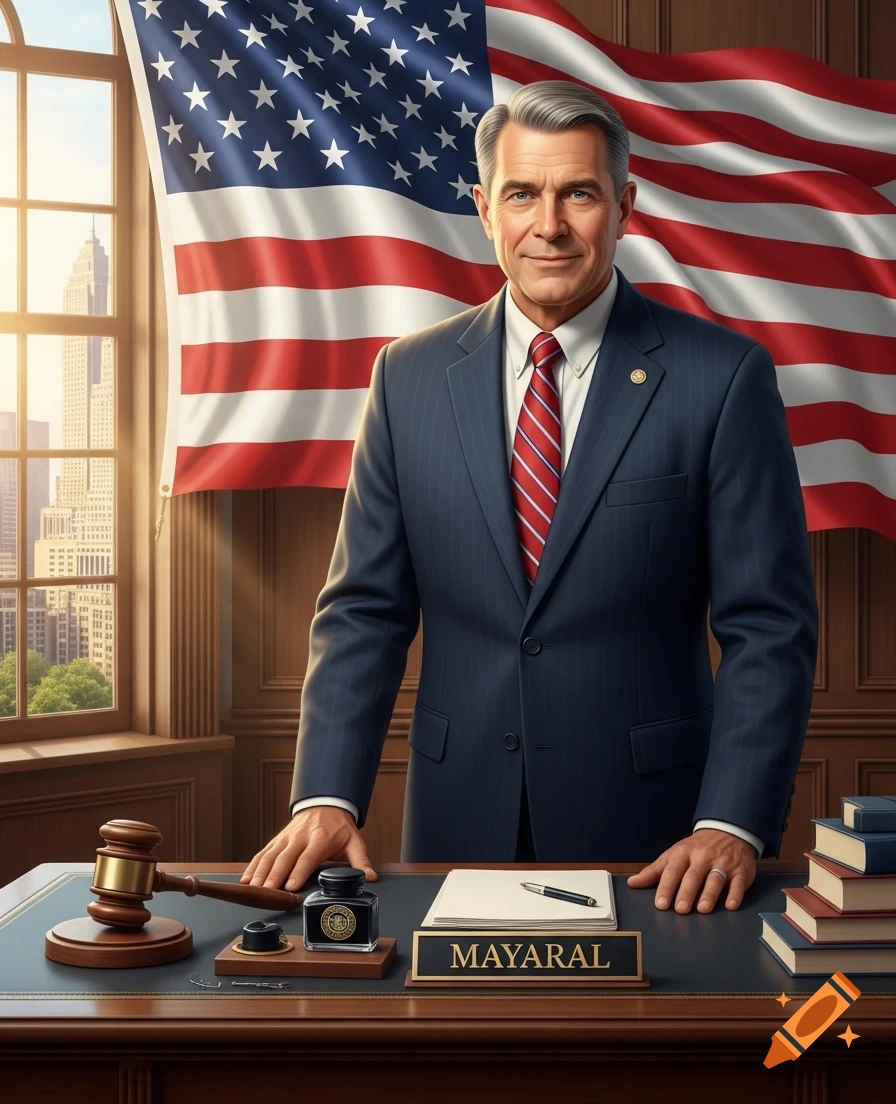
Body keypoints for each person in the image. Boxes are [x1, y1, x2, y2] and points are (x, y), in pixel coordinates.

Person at [242, 79, 818, 916]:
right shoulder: (406, 379)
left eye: (578, 193)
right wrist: (326, 796)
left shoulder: (722, 378)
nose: (548, 225)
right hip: (454, 827)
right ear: (485, 209)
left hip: (663, 848)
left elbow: (770, 627)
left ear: (624, 206)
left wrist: (731, 820)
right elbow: (363, 611)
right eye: (523, 194)